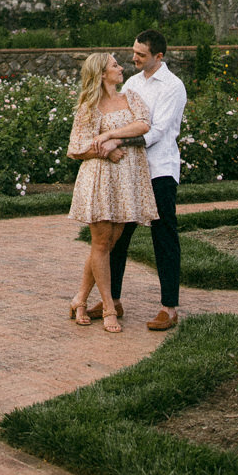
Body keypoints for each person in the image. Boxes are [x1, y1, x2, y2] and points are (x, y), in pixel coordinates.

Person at [100, 29, 188, 332]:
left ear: (158, 57)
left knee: (164, 237)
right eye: (134, 51)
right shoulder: (133, 83)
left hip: (160, 169)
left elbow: (158, 130)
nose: (133, 58)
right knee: (117, 235)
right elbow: (123, 120)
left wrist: (119, 143)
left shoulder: (173, 87)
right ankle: (112, 300)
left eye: (141, 54)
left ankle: (169, 307)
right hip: (131, 169)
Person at [66, 53, 157, 333]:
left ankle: (79, 299)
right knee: (102, 244)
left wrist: (109, 137)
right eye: (115, 66)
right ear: (102, 74)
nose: (121, 68)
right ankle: (108, 308)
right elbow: (76, 147)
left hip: (126, 180)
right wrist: (106, 152)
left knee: (108, 244)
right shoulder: (89, 107)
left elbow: (143, 124)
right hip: (101, 180)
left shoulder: (130, 97)